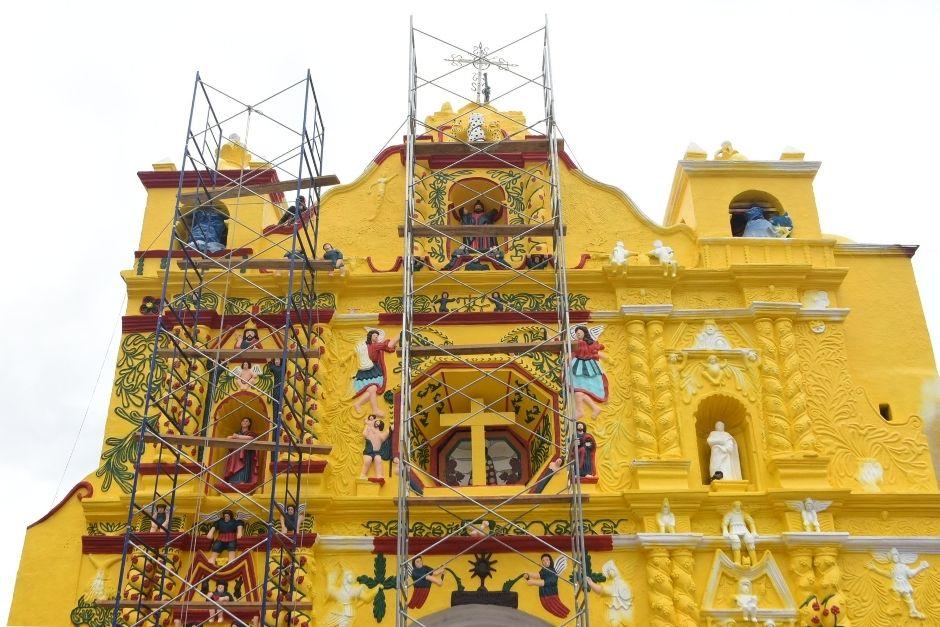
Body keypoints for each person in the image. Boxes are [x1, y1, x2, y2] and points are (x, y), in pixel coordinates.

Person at [352, 329, 399, 416]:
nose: (376, 337)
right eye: (374, 336)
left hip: (371, 369)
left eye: (377, 336)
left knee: (372, 389)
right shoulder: (372, 346)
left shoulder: (371, 346)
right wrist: (399, 336)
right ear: (370, 336)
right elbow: (388, 345)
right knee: (373, 388)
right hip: (369, 370)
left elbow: (387, 346)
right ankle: (375, 409)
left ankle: (358, 404)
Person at [569, 326, 608, 419]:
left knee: (578, 390)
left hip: (584, 367)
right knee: (578, 390)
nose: (578, 334)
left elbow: (584, 351)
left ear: (584, 333)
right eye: (576, 333)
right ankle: (593, 408)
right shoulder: (579, 343)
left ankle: (581, 411)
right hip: (578, 365)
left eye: (579, 333)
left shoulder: (583, 344)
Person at [524, 554, 569, 618]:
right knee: (551, 608)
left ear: (550, 561)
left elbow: (547, 582)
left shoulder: (553, 572)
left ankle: (569, 616)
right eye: (543, 560)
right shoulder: (544, 570)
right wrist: (528, 574)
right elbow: (538, 575)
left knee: (558, 610)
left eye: (547, 560)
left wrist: (533, 582)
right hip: (544, 595)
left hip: (550, 595)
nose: (545, 562)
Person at [224, 418, 259, 485]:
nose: (244, 422)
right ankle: (232, 481)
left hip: (246, 454)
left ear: (249, 424)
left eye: (247, 421)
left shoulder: (250, 433)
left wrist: (237, 436)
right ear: (241, 423)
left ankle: (242, 480)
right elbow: (228, 438)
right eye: (243, 421)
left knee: (243, 467)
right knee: (233, 466)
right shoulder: (237, 432)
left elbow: (251, 438)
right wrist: (236, 436)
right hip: (235, 454)